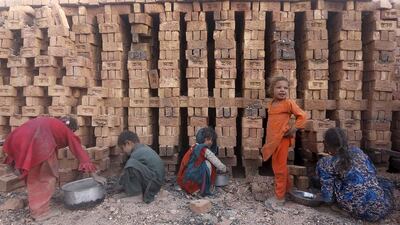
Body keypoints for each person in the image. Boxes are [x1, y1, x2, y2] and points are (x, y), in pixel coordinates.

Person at [3, 116, 106, 221]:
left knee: (34, 175)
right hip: (40, 143)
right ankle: (40, 213)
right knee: (46, 177)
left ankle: (34, 204)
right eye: (73, 131)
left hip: (17, 138)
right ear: (71, 128)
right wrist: (94, 175)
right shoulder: (66, 130)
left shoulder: (52, 122)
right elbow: (79, 151)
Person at [316, 127, 393, 222]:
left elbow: (327, 197)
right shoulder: (358, 152)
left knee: (334, 181)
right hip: (381, 207)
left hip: (358, 210)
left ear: (326, 144)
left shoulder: (326, 162)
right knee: (379, 182)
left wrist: (326, 199)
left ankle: (345, 208)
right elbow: (373, 172)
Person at [262, 76, 307, 205]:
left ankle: (279, 198)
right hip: (273, 141)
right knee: (280, 167)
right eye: (279, 87)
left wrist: (294, 129)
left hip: (282, 140)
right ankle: (287, 190)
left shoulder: (288, 103)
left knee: (279, 168)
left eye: (285, 88)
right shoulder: (271, 104)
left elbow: (302, 116)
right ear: (272, 90)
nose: (282, 90)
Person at [118, 130, 165, 203]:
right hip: (156, 181)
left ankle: (137, 195)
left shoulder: (136, 153)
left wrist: (118, 186)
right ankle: (137, 192)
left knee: (130, 164)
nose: (123, 151)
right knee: (131, 165)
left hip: (153, 183)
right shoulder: (142, 148)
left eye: (122, 148)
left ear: (128, 143)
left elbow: (126, 173)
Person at [177, 127, 227, 196]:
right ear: (204, 139)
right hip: (192, 184)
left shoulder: (193, 147)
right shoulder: (204, 149)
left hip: (183, 181)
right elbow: (216, 162)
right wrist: (225, 169)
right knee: (208, 163)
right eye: (209, 140)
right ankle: (201, 189)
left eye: (211, 140)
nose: (211, 142)